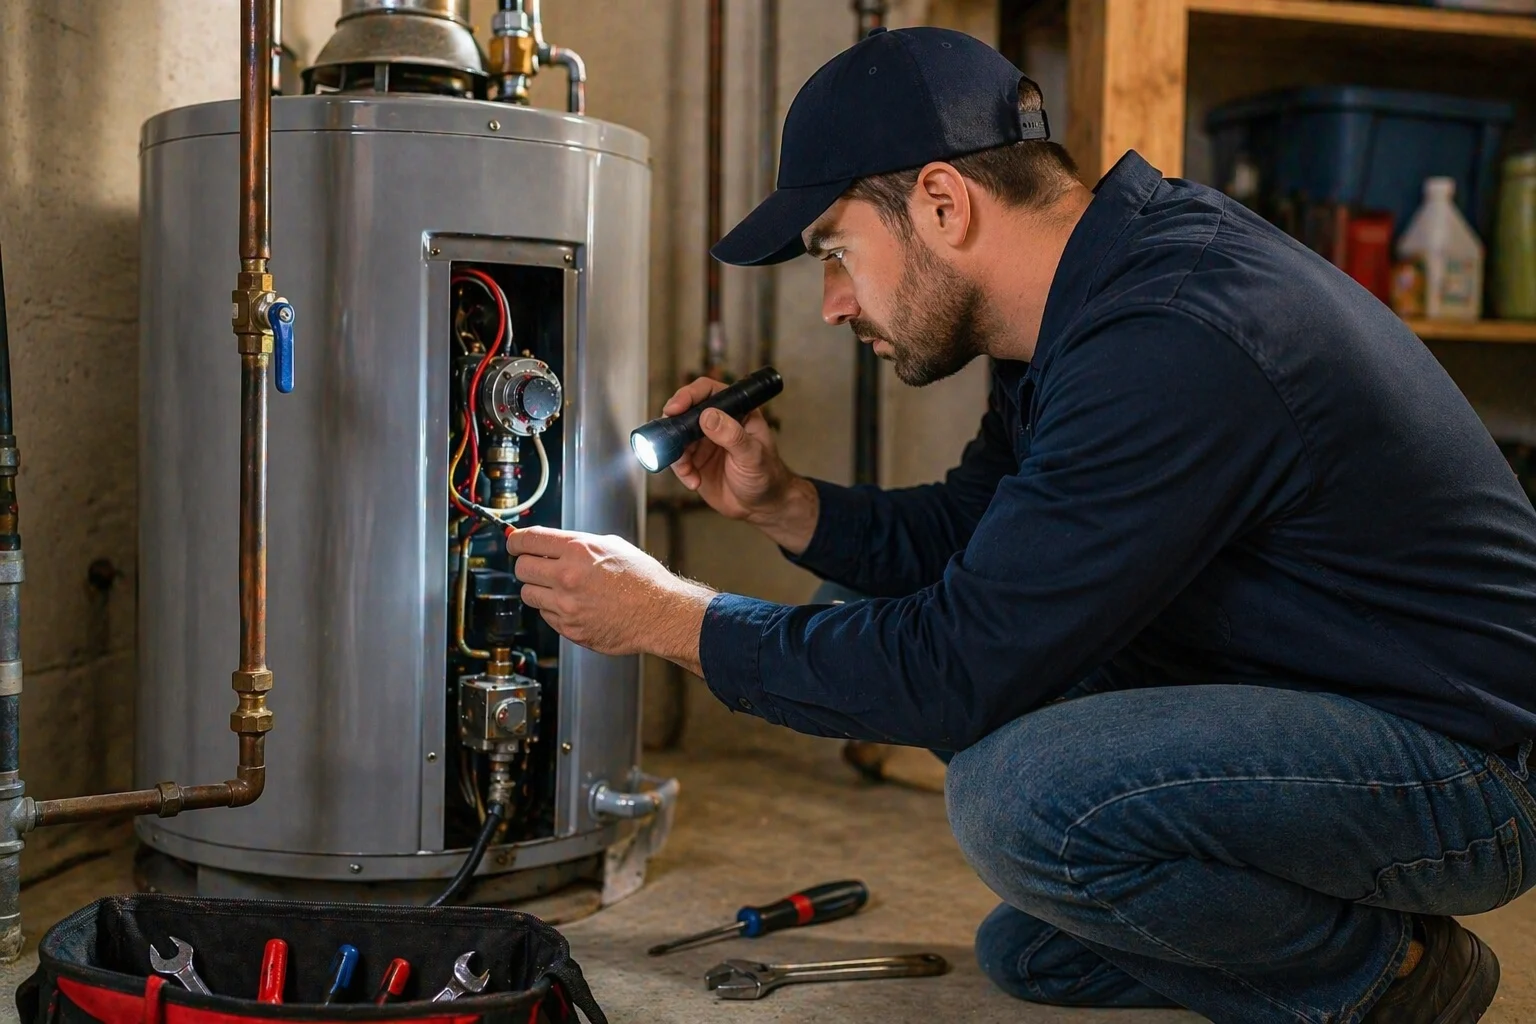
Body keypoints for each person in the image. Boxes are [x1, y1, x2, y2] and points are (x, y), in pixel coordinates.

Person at [505, 27, 1536, 1023]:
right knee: (1029, 948)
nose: (831, 303)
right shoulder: (1079, 300)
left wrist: (668, 616)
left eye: (836, 250)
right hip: (1316, 693)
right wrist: (785, 503)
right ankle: (1307, 915)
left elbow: (959, 665)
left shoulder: (1169, 335)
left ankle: (1388, 975)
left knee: (1024, 800)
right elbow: (977, 535)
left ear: (942, 202)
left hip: (1468, 768)